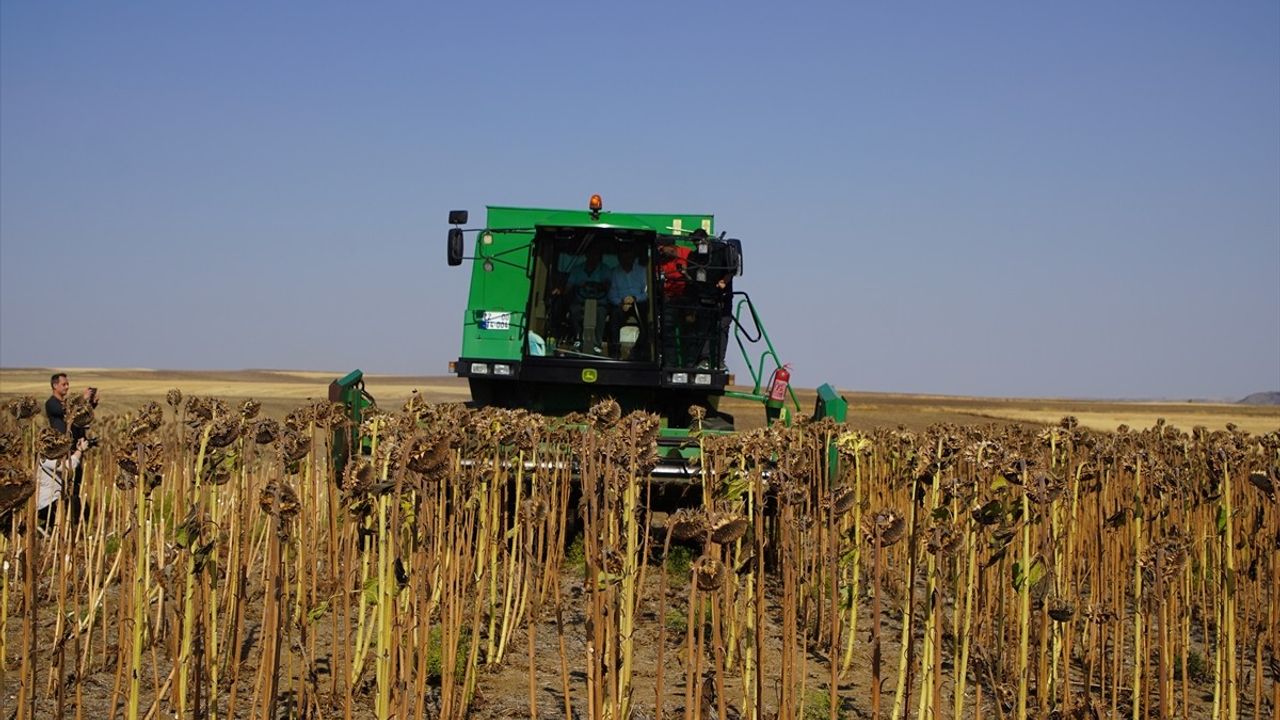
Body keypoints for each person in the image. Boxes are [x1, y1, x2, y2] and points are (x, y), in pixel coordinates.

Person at [44, 372, 97, 521]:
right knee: (61, 486)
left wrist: (90, 404)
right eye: (64, 384)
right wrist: (82, 399)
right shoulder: (52, 403)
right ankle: (57, 519)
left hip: (75, 450)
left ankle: (73, 518)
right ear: (55, 386)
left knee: (75, 484)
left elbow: (78, 417)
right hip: (61, 452)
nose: (67, 387)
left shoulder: (67, 404)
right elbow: (68, 412)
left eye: (67, 384)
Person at [565, 245, 612, 354]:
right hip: (580, 301)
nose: (593, 256)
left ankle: (597, 344)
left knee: (600, 313)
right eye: (591, 254)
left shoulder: (605, 269)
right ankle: (578, 339)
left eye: (596, 254)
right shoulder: (577, 269)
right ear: (586, 255)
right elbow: (568, 287)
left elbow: (608, 285)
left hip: (600, 303)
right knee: (574, 310)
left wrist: (598, 286)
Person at [606, 245, 649, 359]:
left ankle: (638, 351)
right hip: (621, 304)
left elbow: (646, 293)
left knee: (648, 324)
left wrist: (634, 298)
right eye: (623, 257)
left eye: (628, 257)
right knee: (614, 320)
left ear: (633, 257)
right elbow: (611, 293)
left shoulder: (642, 271)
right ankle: (614, 352)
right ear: (619, 258)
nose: (626, 259)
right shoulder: (614, 272)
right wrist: (621, 302)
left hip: (639, 303)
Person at [657, 239, 695, 366]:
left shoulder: (688, 254)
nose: (661, 251)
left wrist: (686, 274)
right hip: (669, 299)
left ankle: (690, 363)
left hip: (688, 298)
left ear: (672, 246)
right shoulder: (660, 260)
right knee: (668, 331)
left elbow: (698, 279)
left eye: (662, 248)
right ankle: (671, 364)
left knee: (689, 332)